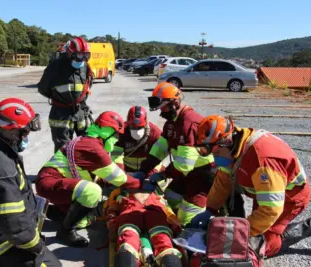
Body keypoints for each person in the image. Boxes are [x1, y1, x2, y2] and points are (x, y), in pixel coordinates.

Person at [191, 114, 311, 260]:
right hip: (264, 192)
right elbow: (223, 182)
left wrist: (241, 232)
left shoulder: (263, 161)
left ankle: (306, 227)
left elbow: (270, 209)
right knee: (253, 232)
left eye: (216, 153)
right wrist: (210, 209)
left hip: (289, 198)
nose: (214, 159)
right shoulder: (235, 148)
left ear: (227, 141)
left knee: (265, 244)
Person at [0, 98, 61, 267]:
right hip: (1, 244)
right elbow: (14, 225)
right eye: (24, 132)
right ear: (10, 131)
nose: (26, 137)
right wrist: (37, 246)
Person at [35, 111, 143, 247]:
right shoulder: (93, 149)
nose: (116, 139)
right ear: (107, 132)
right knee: (92, 192)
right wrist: (141, 184)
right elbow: (119, 178)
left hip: (54, 182)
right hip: (50, 183)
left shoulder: (89, 141)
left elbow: (96, 173)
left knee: (83, 220)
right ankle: (65, 232)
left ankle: (53, 212)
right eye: (116, 135)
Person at [135, 82, 216, 226]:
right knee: (170, 197)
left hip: (202, 175)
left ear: (174, 103)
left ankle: (196, 231)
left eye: (163, 108)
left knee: (188, 219)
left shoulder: (189, 123)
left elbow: (185, 164)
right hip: (185, 173)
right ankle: (176, 223)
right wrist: (144, 169)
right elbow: (160, 147)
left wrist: (163, 174)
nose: (161, 113)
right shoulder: (172, 122)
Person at [38, 36, 94, 153]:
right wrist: (59, 99)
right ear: (70, 54)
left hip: (80, 112)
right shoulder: (55, 67)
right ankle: (63, 171)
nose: (83, 59)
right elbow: (43, 88)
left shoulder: (85, 67)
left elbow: (88, 83)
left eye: (86, 55)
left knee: (85, 145)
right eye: (79, 55)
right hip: (61, 113)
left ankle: (80, 170)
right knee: (63, 148)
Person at [105, 186, 183, 267]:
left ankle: (127, 256)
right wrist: (176, 226)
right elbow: (168, 210)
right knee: (164, 242)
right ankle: (169, 258)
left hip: (131, 213)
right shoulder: (157, 189)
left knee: (128, 242)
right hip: (154, 213)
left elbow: (112, 209)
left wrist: (112, 226)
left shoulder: (120, 190)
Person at [112, 105, 163, 174]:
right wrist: (122, 174)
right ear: (128, 123)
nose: (137, 131)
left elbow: (158, 157)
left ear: (145, 124)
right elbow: (116, 156)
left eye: (140, 127)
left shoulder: (155, 134)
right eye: (133, 127)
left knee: (160, 182)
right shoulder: (121, 133)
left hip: (149, 170)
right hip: (127, 170)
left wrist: (150, 175)